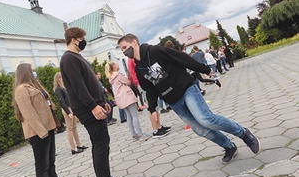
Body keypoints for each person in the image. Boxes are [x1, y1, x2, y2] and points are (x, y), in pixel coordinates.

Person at [118, 33, 261, 164]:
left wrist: (205, 70)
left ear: (135, 42)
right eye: (121, 49)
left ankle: (243, 133)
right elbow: (150, 89)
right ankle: (229, 146)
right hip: (174, 101)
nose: (124, 51)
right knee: (200, 130)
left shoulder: (155, 51)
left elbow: (182, 58)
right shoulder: (139, 68)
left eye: (125, 47)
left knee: (206, 119)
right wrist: (152, 108)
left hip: (186, 89)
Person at [60, 27, 130, 177]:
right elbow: (78, 86)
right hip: (87, 110)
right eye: (82, 38)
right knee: (100, 145)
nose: (84, 41)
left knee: (103, 143)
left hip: (95, 105)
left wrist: (101, 101)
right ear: (74, 39)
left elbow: (90, 83)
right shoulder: (68, 58)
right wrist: (92, 106)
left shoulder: (77, 57)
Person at [13, 63, 76, 177]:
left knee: (50, 162)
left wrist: (52, 126)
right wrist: (42, 132)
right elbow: (29, 113)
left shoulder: (34, 86)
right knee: (42, 166)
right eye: (32, 71)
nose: (35, 73)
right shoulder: (21, 90)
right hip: (38, 133)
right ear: (26, 72)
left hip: (47, 129)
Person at [127, 57, 171, 138]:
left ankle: (159, 127)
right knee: (151, 105)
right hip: (143, 84)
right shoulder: (132, 59)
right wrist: (138, 84)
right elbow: (134, 73)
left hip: (145, 82)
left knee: (155, 105)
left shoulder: (133, 59)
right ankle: (155, 130)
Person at [105, 61, 149, 140]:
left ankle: (134, 134)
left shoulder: (111, 78)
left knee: (128, 116)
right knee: (134, 115)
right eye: (116, 64)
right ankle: (140, 134)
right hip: (127, 96)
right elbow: (128, 82)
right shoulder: (118, 75)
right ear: (114, 67)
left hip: (121, 99)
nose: (118, 65)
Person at [53, 72, 88, 155]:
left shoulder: (64, 87)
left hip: (71, 108)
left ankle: (79, 144)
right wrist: (68, 112)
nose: (63, 79)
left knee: (74, 127)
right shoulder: (58, 89)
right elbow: (61, 101)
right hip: (67, 109)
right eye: (61, 77)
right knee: (70, 129)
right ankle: (73, 148)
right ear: (58, 79)